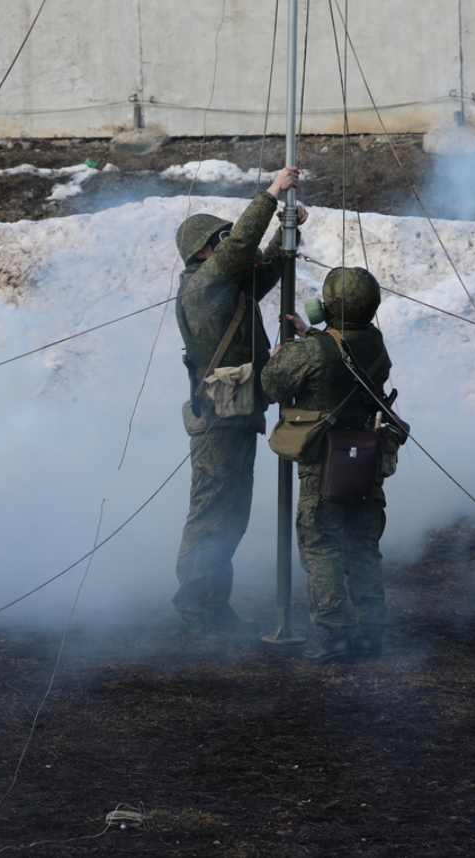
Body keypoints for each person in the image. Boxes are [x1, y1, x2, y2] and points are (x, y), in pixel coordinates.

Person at [172, 166, 308, 639]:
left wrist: (285, 239)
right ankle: (196, 607)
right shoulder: (202, 286)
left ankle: (213, 605)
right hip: (218, 419)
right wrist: (272, 195)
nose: (230, 243)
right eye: (221, 239)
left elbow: (262, 272)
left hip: (239, 413)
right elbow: (238, 252)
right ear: (203, 251)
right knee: (211, 514)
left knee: (232, 517)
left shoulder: (226, 285)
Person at [261, 267, 393, 663]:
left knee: (322, 547)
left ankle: (336, 636)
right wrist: (312, 335)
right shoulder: (375, 341)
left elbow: (272, 384)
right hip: (365, 456)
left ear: (329, 306)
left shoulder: (314, 350)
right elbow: (340, 351)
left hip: (324, 462)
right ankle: (372, 634)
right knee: (364, 547)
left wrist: (285, 353)